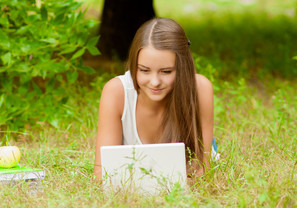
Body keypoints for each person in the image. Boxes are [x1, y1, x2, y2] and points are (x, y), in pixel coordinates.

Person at [93, 17, 216, 180]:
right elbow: (101, 174)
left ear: (182, 68)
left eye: (166, 72)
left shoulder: (200, 88)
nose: (155, 82)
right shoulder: (116, 92)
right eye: (144, 70)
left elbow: (203, 172)